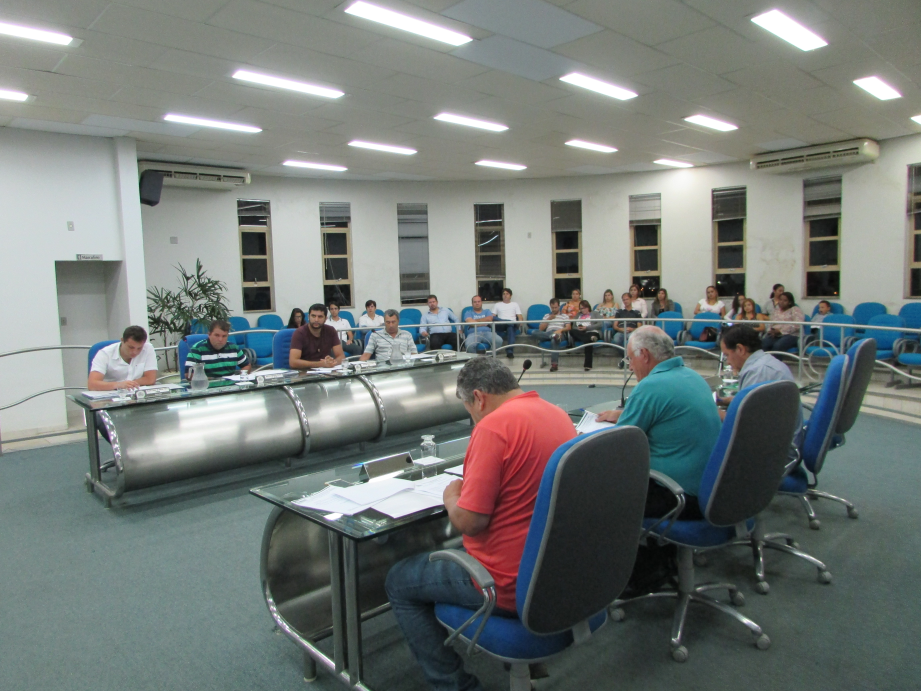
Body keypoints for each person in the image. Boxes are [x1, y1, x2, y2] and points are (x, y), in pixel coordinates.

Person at [385, 357, 576, 691]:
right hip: (552, 570)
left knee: (398, 581)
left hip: (504, 582)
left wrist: (451, 496)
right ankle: (527, 665)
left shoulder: (493, 428)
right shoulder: (556, 413)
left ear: (478, 397)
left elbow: (470, 522)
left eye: (468, 409)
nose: (472, 417)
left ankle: (454, 685)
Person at [596, 327, 720, 593]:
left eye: (630, 358)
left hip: (679, 497)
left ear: (644, 355)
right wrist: (623, 414)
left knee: (596, 494)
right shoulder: (692, 377)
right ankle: (662, 559)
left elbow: (620, 448)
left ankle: (630, 576)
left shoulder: (650, 386)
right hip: (713, 488)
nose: (630, 366)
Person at [717, 325, 804, 449]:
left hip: (774, 452)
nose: (728, 362)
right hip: (779, 442)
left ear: (740, 349)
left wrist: (712, 411)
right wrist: (728, 401)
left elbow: (743, 425)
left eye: (727, 355)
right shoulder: (765, 363)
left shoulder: (759, 372)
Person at [87, 325, 158, 391]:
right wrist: (119, 385)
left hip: (136, 392)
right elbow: (92, 384)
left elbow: (150, 379)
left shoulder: (147, 348)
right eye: (131, 347)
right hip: (111, 393)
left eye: (139, 348)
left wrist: (129, 385)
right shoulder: (105, 354)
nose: (135, 352)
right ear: (122, 340)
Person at [184, 319, 250, 379]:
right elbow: (188, 374)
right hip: (207, 385)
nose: (220, 339)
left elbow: (247, 365)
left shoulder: (234, 348)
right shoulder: (197, 349)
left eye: (224, 336)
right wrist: (211, 380)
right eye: (217, 335)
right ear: (209, 334)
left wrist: (241, 376)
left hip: (230, 385)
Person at [289, 303, 345, 369]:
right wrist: (319, 364)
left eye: (320, 317)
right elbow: (293, 362)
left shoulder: (331, 330)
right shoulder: (299, 333)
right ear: (308, 317)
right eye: (313, 316)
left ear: (325, 319)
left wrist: (332, 362)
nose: (316, 320)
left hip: (326, 372)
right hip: (304, 372)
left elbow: (341, 357)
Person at [533, 298, 571, 372]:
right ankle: (553, 336)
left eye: (555, 307)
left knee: (555, 340)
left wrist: (560, 330)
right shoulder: (547, 315)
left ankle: (554, 365)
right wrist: (549, 319)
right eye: (552, 307)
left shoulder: (564, 316)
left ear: (559, 306)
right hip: (548, 333)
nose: (554, 309)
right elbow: (541, 328)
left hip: (560, 333)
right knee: (534, 332)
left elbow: (568, 327)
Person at [492, 288, 524, 359]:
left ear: (510, 296)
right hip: (501, 324)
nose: (505, 295)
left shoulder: (515, 304)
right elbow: (492, 317)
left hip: (512, 325)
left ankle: (510, 351)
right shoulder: (497, 305)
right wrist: (507, 321)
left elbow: (520, 316)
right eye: (503, 294)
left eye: (507, 294)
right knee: (494, 318)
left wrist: (520, 321)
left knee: (510, 327)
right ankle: (509, 322)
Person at [570, 300, 601, 371]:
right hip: (581, 333)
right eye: (581, 308)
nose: (582, 310)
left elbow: (600, 324)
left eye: (584, 308)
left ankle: (588, 365)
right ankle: (591, 338)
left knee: (588, 341)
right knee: (572, 331)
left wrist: (587, 328)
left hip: (592, 331)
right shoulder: (578, 315)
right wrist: (579, 328)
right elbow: (574, 326)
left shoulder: (595, 313)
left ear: (588, 307)